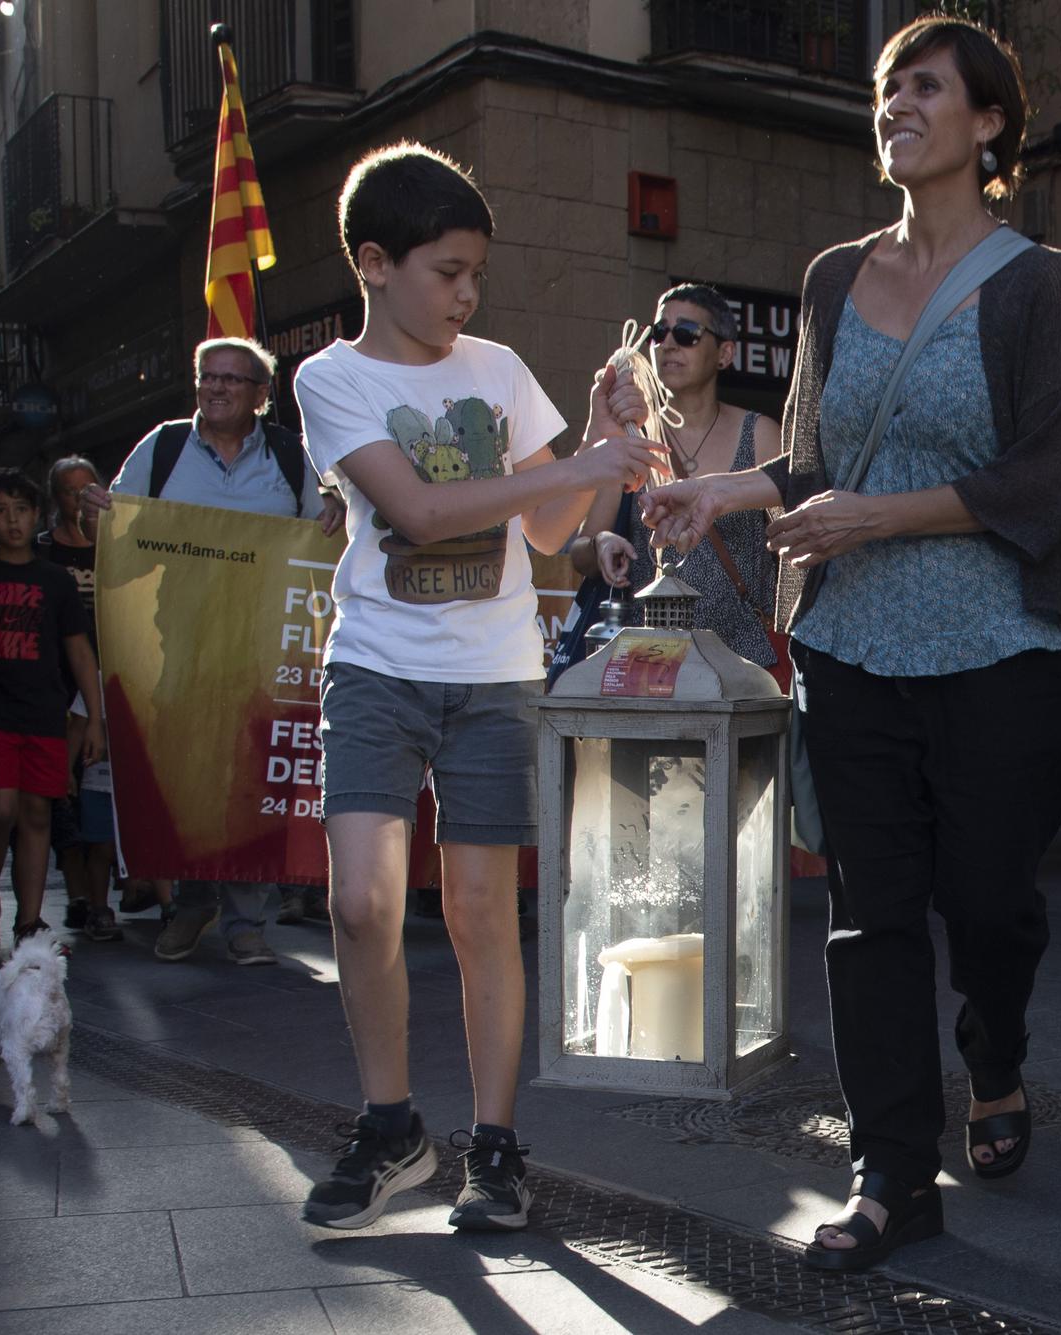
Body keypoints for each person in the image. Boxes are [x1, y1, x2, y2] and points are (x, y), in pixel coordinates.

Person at [642, 16, 1061, 1271]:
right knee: (869, 918)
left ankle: (991, 1051)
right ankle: (892, 1173)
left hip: (1001, 648)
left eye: (925, 88)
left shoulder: (1037, 286)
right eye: (886, 90)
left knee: (991, 905)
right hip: (849, 650)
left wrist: (878, 517)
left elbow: (1050, 476)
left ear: (989, 122)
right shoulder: (834, 278)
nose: (894, 105)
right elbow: (815, 460)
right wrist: (721, 494)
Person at [290, 141, 657, 1233]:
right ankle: (392, 1124)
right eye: (445, 271)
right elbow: (419, 514)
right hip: (376, 669)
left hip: (495, 676)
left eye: (473, 275)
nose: (465, 294)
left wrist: (598, 441)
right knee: (358, 901)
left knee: (482, 911)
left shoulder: (495, 368)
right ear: (373, 263)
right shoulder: (330, 377)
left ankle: (494, 1148)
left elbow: (546, 531)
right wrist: (575, 467)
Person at [86, 337, 344, 967]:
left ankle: (246, 921)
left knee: (250, 776)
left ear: (261, 396)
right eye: (208, 376)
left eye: (233, 379)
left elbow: (325, 536)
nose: (217, 388)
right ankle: (190, 904)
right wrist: (104, 516)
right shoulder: (164, 446)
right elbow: (122, 530)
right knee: (184, 769)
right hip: (182, 644)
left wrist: (336, 508)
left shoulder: (290, 455)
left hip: (259, 649)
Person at [574, 283, 784, 671]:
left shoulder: (758, 433)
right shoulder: (632, 434)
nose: (668, 344)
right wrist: (602, 543)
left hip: (743, 661)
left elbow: (792, 539)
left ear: (724, 353)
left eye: (686, 334)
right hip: (650, 661)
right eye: (659, 332)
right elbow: (580, 550)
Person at [0, 469, 105, 949]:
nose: (12, 521)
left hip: (45, 712)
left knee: (38, 812)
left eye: (21, 510)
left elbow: (81, 652)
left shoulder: (55, 580)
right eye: (0, 511)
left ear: (36, 515)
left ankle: (30, 918)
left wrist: (94, 719)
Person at [37, 456, 115, 941]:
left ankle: (105, 898)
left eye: (89, 488)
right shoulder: (43, 552)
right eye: (69, 490)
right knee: (59, 795)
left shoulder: (117, 548)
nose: (79, 498)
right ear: (56, 498)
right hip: (52, 684)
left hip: (106, 681)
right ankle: (78, 895)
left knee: (102, 795)